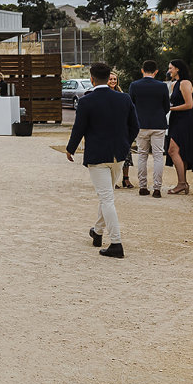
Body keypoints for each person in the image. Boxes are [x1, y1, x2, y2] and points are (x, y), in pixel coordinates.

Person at [65, 62, 139, 258]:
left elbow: (78, 128)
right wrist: (125, 143)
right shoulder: (124, 99)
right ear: (109, 79)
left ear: (91, 79)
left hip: (97, 155)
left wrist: (70, 149)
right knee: (107, 195)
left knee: (106, 198)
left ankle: (116, 242)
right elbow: (135, 127)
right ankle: (97, 232)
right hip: (119, 155)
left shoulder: (86, 101)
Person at [128, 60, 169, 198]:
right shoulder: (162, 86)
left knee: (142, 155)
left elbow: (131, 105)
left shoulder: (134, 85)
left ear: (142, 70)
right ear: (156, 71)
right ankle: (157, 188)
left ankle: (143, 186)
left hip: (141, 124)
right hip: (158, 123)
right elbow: (166, 106)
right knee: (158, 156)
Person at [165, 59, 193, 193]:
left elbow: (189, 104)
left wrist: (170, 109)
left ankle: (181, 183)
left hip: (184, 120)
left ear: (177, 69)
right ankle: (183, 182)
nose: (169, 71)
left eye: (170, 68)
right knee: (179, 152)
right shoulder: (175, 84)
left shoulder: (185, 83)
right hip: (176, 119)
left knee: (172, 151)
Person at [107, 71, 134, 189]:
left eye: (115, 79)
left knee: (126, 153)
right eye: (110, 79)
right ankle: (113, 179)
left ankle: (126, 178)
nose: (113, 81)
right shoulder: (104, 93)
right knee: (111, 154)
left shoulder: (122, 93)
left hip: (122, 127)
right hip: (109, 128)